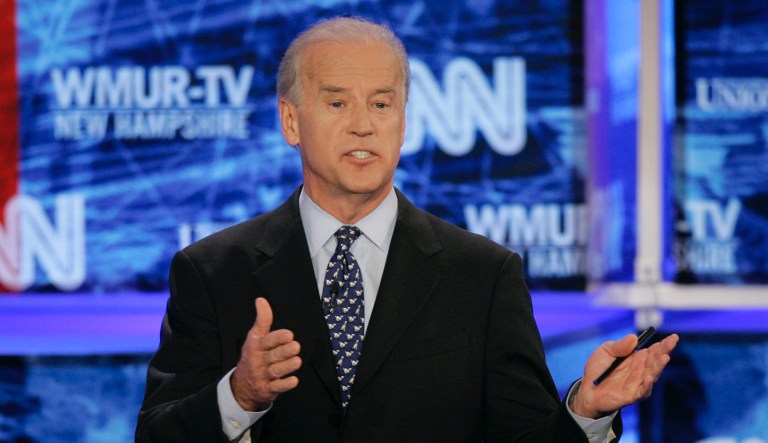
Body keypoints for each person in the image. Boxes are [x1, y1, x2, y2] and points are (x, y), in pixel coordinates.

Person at [136, 16, 679, 442]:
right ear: (291, 121)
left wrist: (583, 410)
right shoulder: (212, 271)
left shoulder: (483, 275)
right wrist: (239, 396)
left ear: (403, 121)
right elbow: (155, 435)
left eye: (381, 103)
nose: (363, 124)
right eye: (337, 102)